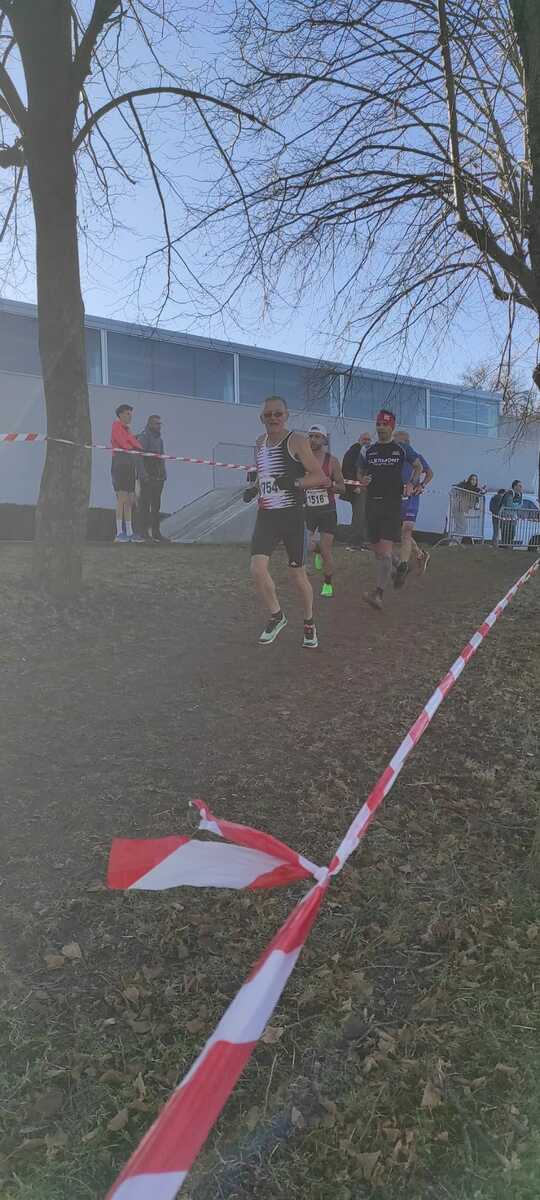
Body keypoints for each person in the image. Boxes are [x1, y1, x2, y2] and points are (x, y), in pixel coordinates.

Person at [249, 395, 328, 647]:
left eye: (278, 413)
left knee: (297, 574)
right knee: (257, 569)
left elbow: (319, 477)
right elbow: (265, 476)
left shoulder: (297, 441)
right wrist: (254, 488)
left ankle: (309, 622)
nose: (273, 418)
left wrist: (294, 482)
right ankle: (277, 616)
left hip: (292, 516)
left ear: (286, 416)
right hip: (266, 516)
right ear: (261, 418)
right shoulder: (259, 443)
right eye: (268, 414)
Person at [356, 409, 423, 611]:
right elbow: (359, 471)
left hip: (392, 504)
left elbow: (418, 467)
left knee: (384, 553)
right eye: (378, 424)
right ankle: (400, 565)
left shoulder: (401, 449)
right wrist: (362, 479)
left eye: (385, 424)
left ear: (392, 427)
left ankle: (378, 594)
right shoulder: (368, 450)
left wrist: (411, 483)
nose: (381, 428)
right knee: (374, 548)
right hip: (372, 504)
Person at [304, 424, 346, 597]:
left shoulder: (332, 461)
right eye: (310, 436)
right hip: (308, 509)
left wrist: (331, 485)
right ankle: (317, 550)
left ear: (324, 440)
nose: (313, 440)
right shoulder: (301, 459)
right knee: (305, 544)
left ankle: (327, 584)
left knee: (327, 549)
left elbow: (342, 488)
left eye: (317, 436)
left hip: (327, 510)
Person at [393, 430, 433, 584]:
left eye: (398, 441)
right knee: (400, 532)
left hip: (412, 498)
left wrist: (421, 485)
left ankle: (403, 567)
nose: (395, 444)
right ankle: (421, 554)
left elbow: (430, 473)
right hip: (397, 498)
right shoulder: (393, 458)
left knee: (407, 530)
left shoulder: (416, 457)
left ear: (406, 442)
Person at [110, 404, 144, 543]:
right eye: (128, 414)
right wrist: (134, 448)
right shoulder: (116, 426)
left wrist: (140, 448)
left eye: (131, 414)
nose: (130, 416)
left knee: (130, 498)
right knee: (122, 497)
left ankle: (129, 532)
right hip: (120, 464)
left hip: (129, 464)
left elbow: (134, 442)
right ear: (121, 414)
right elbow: (123, 443)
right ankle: (119, 532)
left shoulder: (127, 429)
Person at [136, 414, 169, 542]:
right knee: (145, 505)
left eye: (160, 424)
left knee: (156, 505)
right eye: (157, 423)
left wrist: (164, 472)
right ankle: (143, 533)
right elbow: (138, 456)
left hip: (158, 476)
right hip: (147, 476)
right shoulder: (144, 437)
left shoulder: (159, 439)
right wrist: (143, 474)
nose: (159, 426)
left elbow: (161, 456)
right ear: (150, 424)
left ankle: (156, 532)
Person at [342, 431, 371, 547]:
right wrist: (354, 486)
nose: (367, 442)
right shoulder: (354, 451)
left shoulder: (366, 452)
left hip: (364, 488)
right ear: (359, 440)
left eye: (368, 440)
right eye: (364, 439)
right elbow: (346, 469)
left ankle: (361, 540)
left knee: (363, 515)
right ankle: (355, 541)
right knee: (359, 515)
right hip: (358, 489)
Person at [451, 473, 485, 544]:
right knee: (463, 526)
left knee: (459, 526)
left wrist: (482, 491)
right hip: (457, 507)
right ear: (469, 480)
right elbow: (454, 489)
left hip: (459, 509)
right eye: (472, 479)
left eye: (475, 480)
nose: (474, 481)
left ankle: (453, 543)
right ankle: (455, 542)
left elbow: (477, 492)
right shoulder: (465, 486)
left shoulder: (473, 489)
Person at [499, 479, 523, 548]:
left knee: (512, 534)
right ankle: (504, 548)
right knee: (505, 533)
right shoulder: (509, 493)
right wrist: (517, 506)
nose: (521, 488)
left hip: (513, 517)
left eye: (521, 486)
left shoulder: (520, 494)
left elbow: (521, 504)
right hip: (506, 517)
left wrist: (516, 506)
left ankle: (509, 547)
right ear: (515, 486)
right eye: (520, 486)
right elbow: (510, 505)